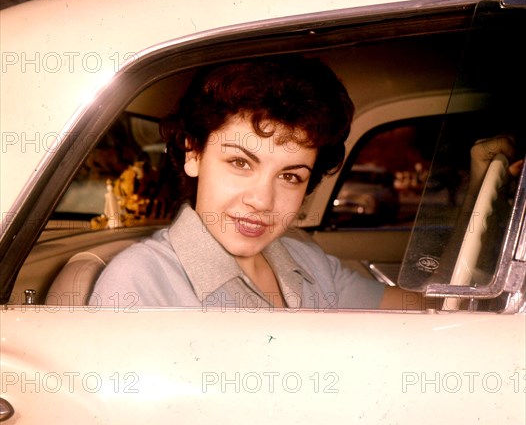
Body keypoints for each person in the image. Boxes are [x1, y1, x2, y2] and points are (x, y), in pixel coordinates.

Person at [88, 57, 521, 310]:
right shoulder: (140, 283)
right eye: (240, 162)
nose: (262, 200)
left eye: (290, 176)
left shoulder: (302, 260)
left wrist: (478, 197)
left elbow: (426, 313)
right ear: (193, 154)